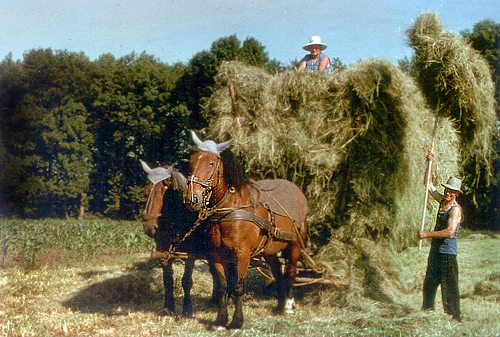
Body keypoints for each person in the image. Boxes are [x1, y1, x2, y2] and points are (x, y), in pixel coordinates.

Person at [418, 151, 463, 322]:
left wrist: (426, 234)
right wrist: (430, 163)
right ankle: (427, 310)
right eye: (447, 190)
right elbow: (428, 184)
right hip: (436, 250)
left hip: (447, 253)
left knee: (449, 286)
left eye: (452, 192)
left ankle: (454, 317)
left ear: (456, 194)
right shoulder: (442, 202)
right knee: (430, 281)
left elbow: (449, 232)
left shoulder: (456, 209)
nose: (448, 193)